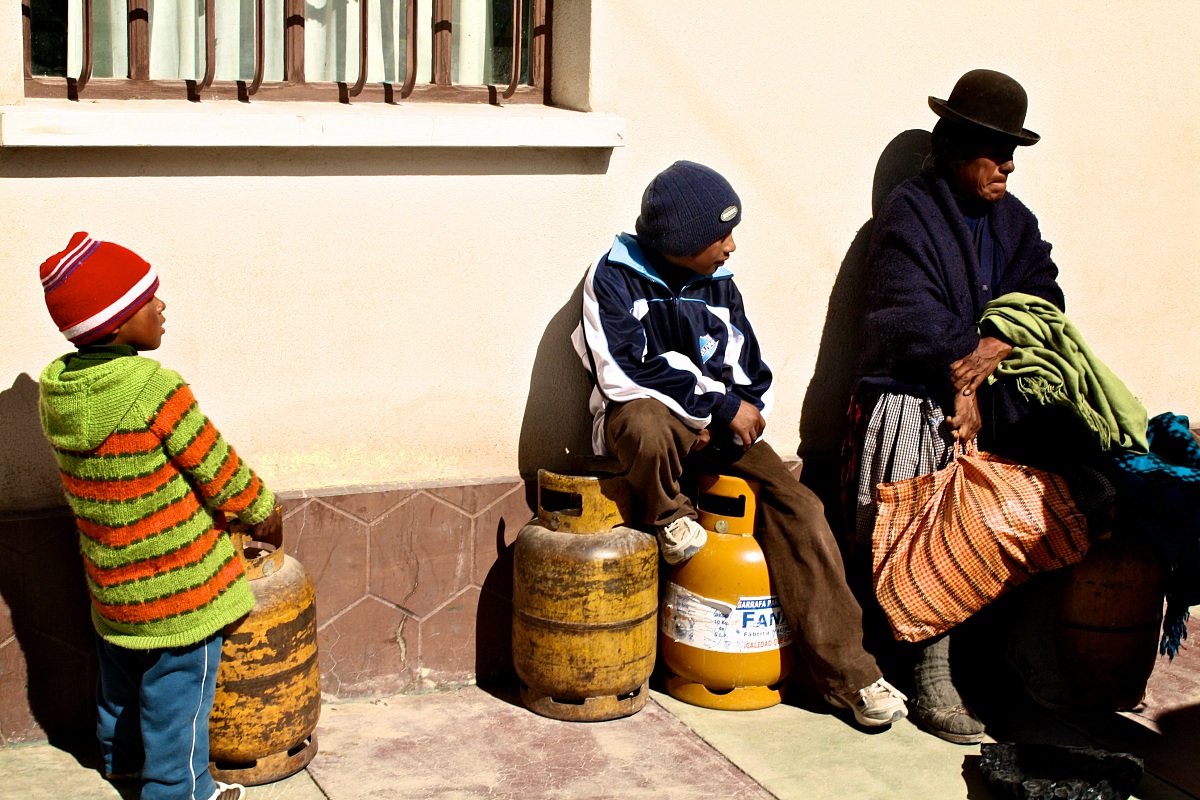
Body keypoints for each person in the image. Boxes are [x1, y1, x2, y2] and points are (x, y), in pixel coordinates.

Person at [572, 160, 908, 729]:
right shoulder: (612, 276)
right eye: (720, 234)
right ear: (682, 239)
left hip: (717, 428)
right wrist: (714, 406)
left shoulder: (720, 285)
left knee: (800, 507)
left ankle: (850, 676)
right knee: (647, 422)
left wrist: (735, 413)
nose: (731, 246)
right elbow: (625, 372)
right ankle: (668, 517)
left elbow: (750, 371)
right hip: (645, 422)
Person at [849, 69, 1112, 743]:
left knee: (1085, 471)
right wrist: (958, 380)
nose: (1008, 165)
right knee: (936, 461)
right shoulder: (908, 215)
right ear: (960, 147)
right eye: (996, 152)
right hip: (914, 388)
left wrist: (993, 349)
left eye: (1012, 152)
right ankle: (930, 669)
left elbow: (1041, 295)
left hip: (989, 390)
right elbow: (905, 318)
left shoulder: (1013, 221)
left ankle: (1025, 643)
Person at [37, 232, 279, 800]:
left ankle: (121, 763)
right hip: (178, 589)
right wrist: (261, 509)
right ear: (117, 323)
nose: (161, 307)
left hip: (115, 585)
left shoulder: (61, 394)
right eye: (150, 299)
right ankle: (180, 791)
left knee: (120, 681)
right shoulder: (153, 388)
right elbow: (217, 469)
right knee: (179, 696)